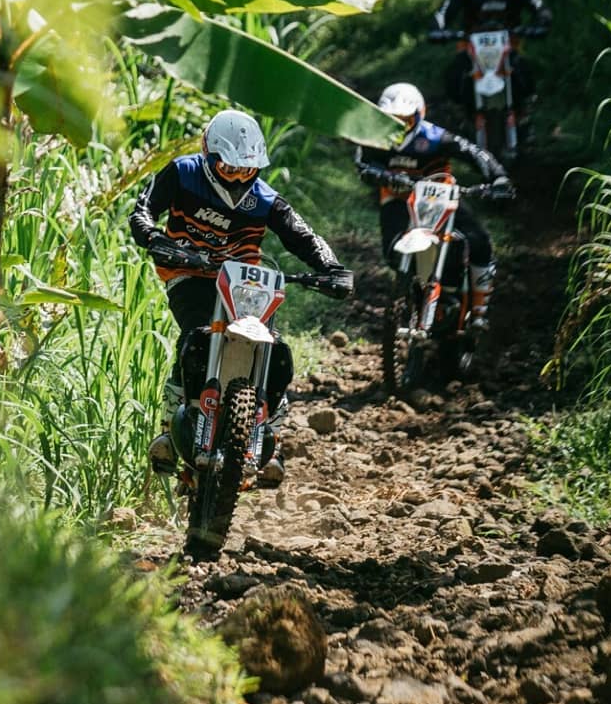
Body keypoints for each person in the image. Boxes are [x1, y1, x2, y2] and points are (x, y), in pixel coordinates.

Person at [129, 108, 354, 487]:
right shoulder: (183, 173)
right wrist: (155, 239)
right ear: (209, 156)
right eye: (229, 168)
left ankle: (271, 440)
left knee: (276, 351)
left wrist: (332, 268)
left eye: (245, 171)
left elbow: (304, 237)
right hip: (189, 272)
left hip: (245, 283)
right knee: (196, 337)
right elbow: (142, 211)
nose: (237, 178)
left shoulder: (266, 200)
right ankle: (169, 429)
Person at [354, 82, 512, 331]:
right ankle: (413, 290)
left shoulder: (435, 137)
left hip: (440, 201)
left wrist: (498, 177)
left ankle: (479, 309)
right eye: (392, 120)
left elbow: (474, 152)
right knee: (392, 251)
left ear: (418, 115)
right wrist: (379, 175)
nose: (400, 126)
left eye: (405, 120)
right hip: (398, 201)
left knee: (479, 240)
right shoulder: (373, 138)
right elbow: (362, 164)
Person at [430, 0, 551, 147]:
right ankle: (462, 115)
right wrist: (438, 30)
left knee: (524, 72)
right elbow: (443, 13)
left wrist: (541, 24)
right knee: (455, 75)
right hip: (471, 48)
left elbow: (540, 8)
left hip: (509, 45)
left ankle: (524, 115)